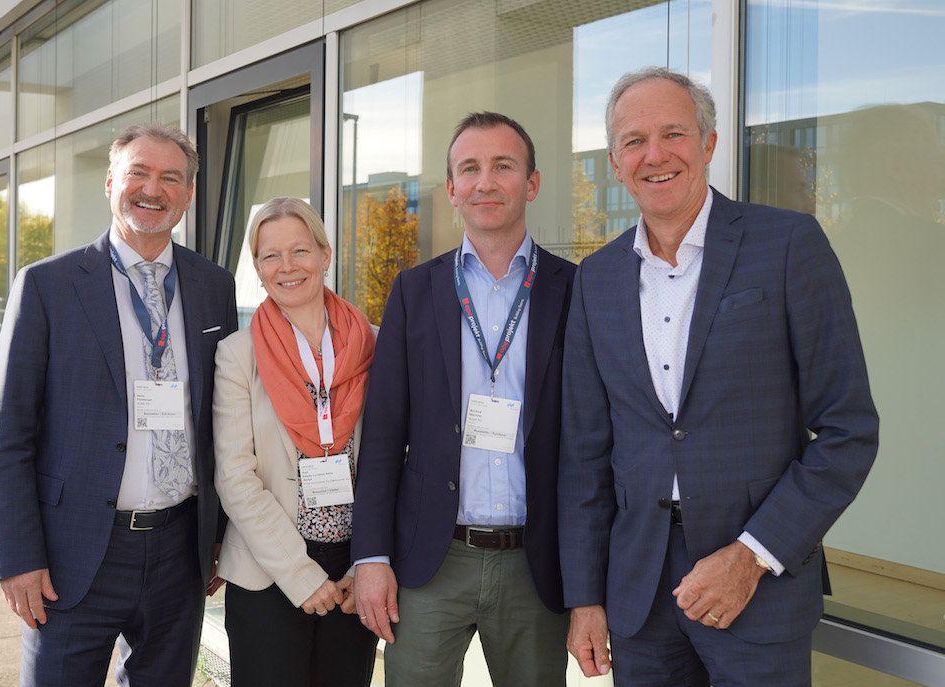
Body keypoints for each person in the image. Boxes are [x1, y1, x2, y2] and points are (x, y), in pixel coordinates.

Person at [558, 67, 878, 686]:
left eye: (673, 133)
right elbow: (584, 457)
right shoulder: (594, 280)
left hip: (757, 586)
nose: (655, 155)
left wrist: (753, 556)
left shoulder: (787, 245)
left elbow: (848, 430)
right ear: (615, 162)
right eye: (633, 141)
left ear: (707, 143)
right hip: (638, 593)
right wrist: (586, 596)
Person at [0, 122, 237, 685]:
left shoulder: (213, 286)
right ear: (109, 184)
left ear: (189, 194)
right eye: (139, 173)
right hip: (73, 553)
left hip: (180, 552)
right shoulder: (46, 286)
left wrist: (217, 534)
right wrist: (17, 555)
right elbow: (10, 435)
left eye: (171, 177)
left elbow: (219, 420)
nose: (154, 189)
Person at [351, 112, 575, 686]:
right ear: (451, 188)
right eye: (469, 168)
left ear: (532, 182)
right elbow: (382, 436)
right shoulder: (414, 290)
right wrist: (371, 556)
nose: (485, 182)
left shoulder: (575, 290)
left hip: (538, 562)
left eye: (503, 166)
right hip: (431, 561)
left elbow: (592, 441)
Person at [212, 196, 378, 686]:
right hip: (270, 571)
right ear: (258, 268)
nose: (287, 267)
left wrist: (370, 561)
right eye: (270, 256)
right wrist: (299, 575)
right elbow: (236, 477)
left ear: (325, 254)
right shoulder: (237, 356)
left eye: (300, 251)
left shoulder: (375, 343)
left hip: (355, 573)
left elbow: (394, 462)